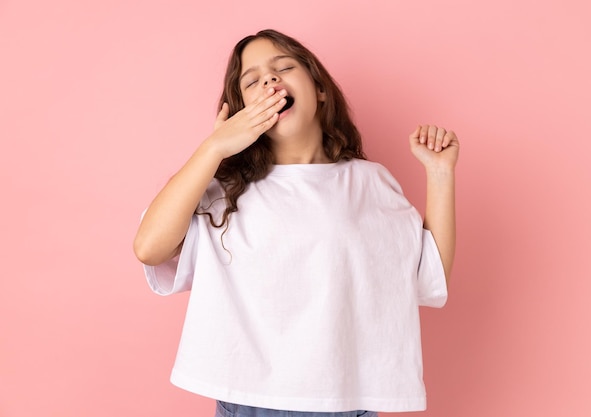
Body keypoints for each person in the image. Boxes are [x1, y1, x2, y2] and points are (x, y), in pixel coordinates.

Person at [134, 29, 459, 417]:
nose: (270, 80)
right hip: (253, 402)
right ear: (240, 112)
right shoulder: (223, 188)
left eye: (284, 67)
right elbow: (149, 248)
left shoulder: (371, 181)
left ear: (319, 89)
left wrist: (440, 175)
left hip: (349, 402)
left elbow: (427, 277)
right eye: (252, 81)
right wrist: (215, 146)